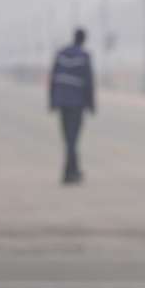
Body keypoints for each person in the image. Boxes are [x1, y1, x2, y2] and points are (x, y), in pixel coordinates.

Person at [49, 28, 96, 184]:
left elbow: (53, 79)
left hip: (62, 101)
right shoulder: (84, 56)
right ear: (83, 40)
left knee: (68, 139)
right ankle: (69, 173)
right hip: (76, 103)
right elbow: (89, 83)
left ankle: (72, 171)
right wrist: (91, 104)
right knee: (72, 139)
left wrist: (52, 101)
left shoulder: (61, 54)